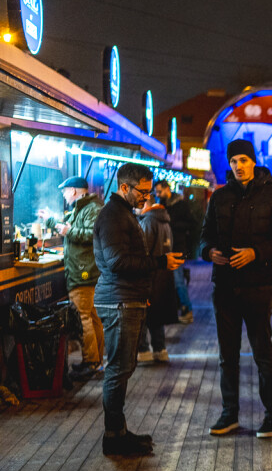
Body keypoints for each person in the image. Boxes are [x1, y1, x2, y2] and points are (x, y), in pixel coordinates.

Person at [200, 139, 272, 438]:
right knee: (228, 355)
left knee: (262, 352)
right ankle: (230, 414)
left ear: (254, 161)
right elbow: (205, 235)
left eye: (243, 160)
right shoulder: (219, 197)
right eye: (234, 160)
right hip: (225, 285)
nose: (238, 166)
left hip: (258, 285)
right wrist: (208, 251)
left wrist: (255, 253)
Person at [93, 164, 184, 456]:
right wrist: (159, 262)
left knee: (124, 368)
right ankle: (113, 436)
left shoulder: (124, 215)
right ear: (124, 187)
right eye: (142, 192)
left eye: (148, 191)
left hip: (126, 298)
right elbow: (118, 262)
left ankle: (119, 431)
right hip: (119, 300)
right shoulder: (113, 216)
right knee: (119, 369)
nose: (146, 197)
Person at [56, 176, 104, 378]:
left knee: (84, 317)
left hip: (83, 272)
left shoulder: (91, 208)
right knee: (92, 317)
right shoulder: (85, 207)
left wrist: (68, 231)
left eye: (65, 191)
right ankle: (95, 361)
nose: (64, 195)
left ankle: (91, 362)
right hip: (86, 270)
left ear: (75, 191)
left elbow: (92, 235)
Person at [136, 194, 175, 363]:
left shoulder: (147, 222)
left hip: (149, 273)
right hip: (163, 273)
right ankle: (160, 349)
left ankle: (143, 350)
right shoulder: (164, 220)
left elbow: (142, 251)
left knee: (142, 314)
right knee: (156, 314)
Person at [154, 179, 196, 323]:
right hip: (165, 247)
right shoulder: (161, 204)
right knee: (170, 281)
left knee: (178, 281)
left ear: (167, 189)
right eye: (157, 192)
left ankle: (187, 309)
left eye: (160, 191)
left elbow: (191, 223)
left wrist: (171, 224)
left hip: (177, 247)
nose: (158, 194)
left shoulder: (180, 204)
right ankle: (177, 308)